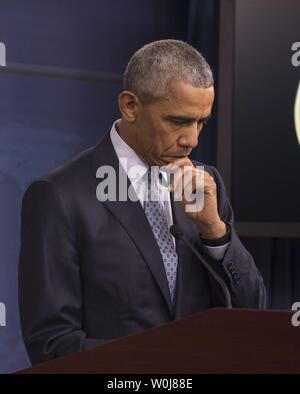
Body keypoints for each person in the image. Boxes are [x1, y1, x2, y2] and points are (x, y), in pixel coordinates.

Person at [18, 39, 266, 366]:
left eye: (201, 122)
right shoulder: (59, 196)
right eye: (178, 121)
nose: (191, 140)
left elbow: (253, 315)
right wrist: (163, 367)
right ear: (130, 106)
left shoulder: (207, 184)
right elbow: (52, 345)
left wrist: (215, 232)